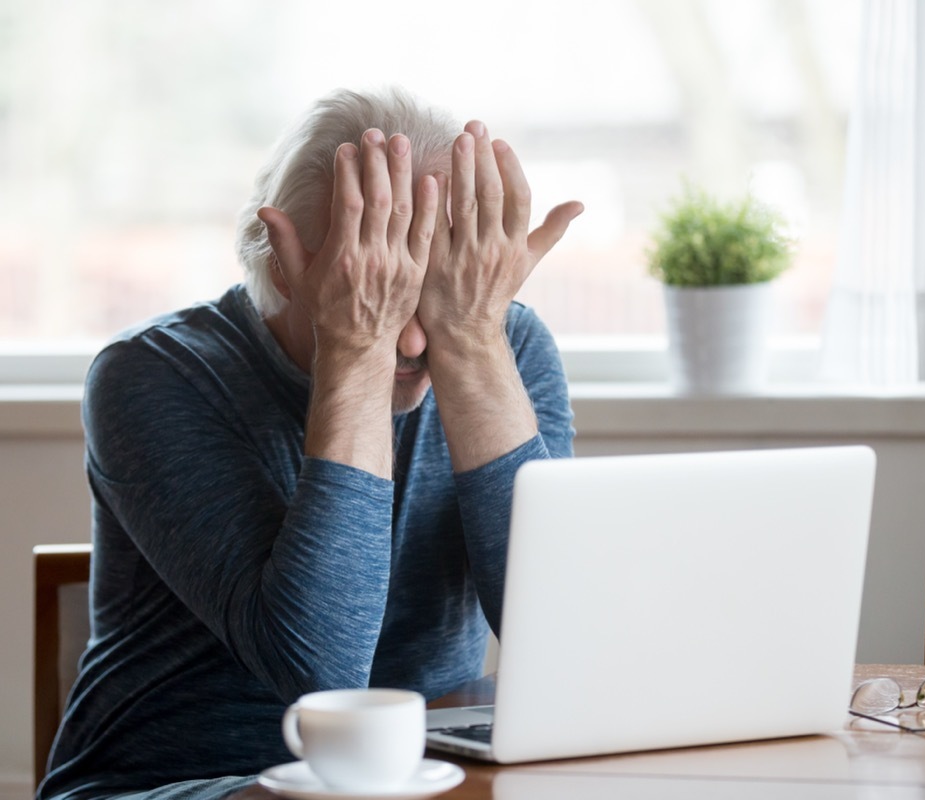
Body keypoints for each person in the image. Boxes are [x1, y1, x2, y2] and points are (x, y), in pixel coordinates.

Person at [38, 87, 582, 800]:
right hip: (183, 782)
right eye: (374, 287)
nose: (416, 340)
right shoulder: (152, 375)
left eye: (437, 288)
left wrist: (475, 343)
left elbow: (563, 649)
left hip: (429, 782)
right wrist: (355, 350)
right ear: (283, 265)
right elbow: (320, 672)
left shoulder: (501, 345)